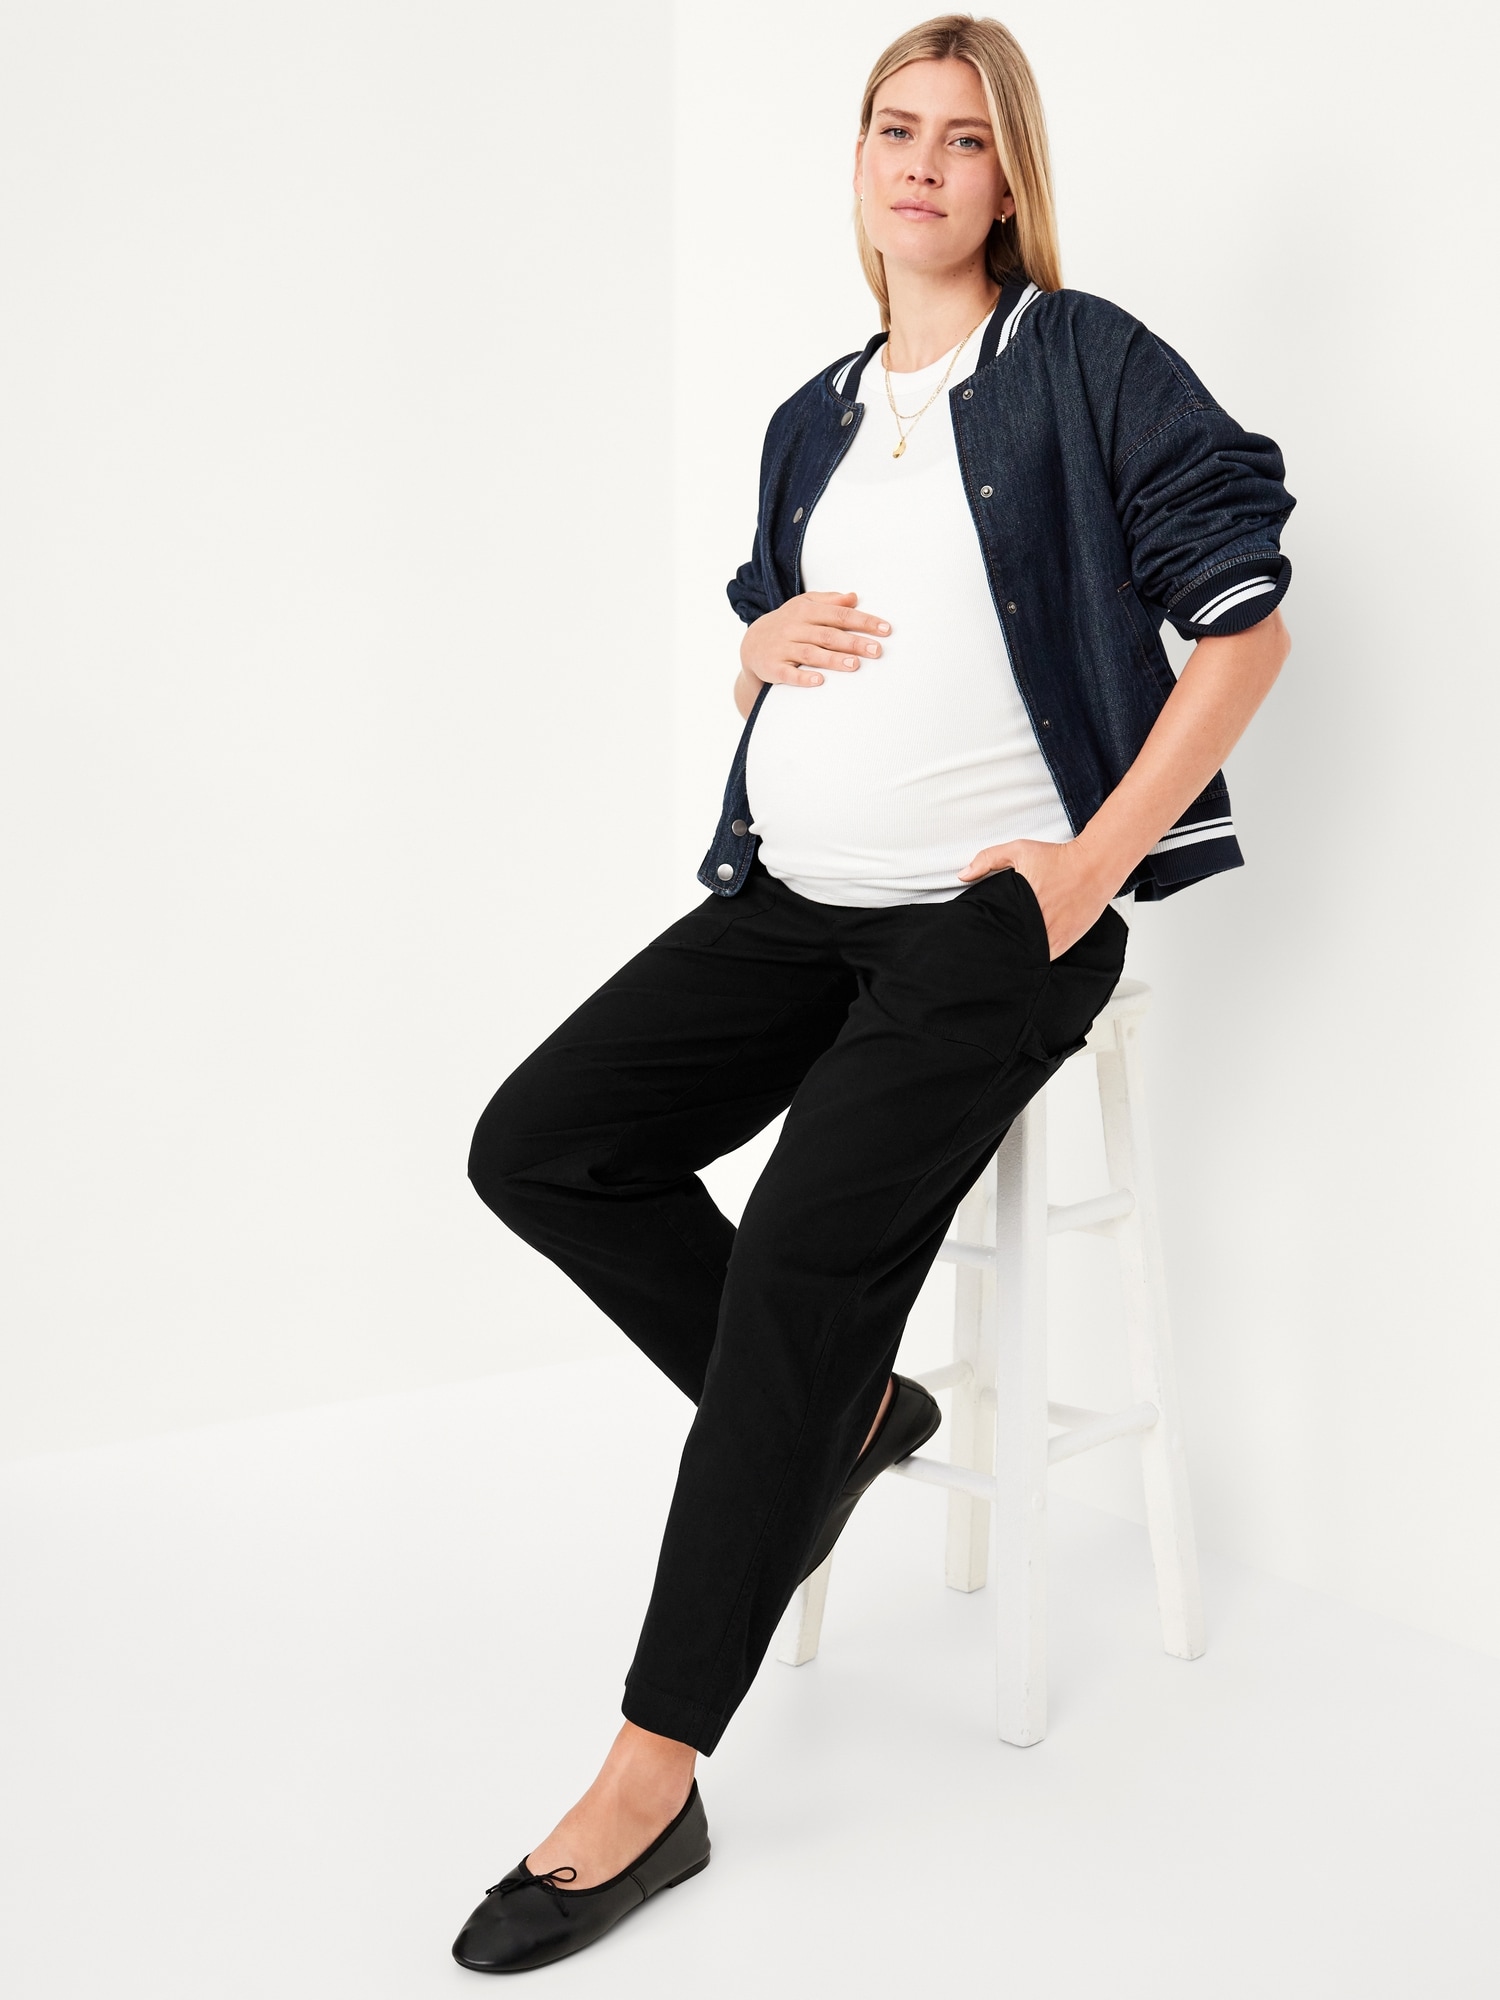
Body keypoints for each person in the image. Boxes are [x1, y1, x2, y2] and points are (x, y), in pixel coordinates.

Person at [454, 10, 1294, 1975]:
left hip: (989, 925)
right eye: (893, 128)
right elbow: (799, 617)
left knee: (798, 1266)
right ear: (857, 161)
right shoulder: (812, 413)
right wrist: (756, 652)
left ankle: (651, 1775)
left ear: (1010, 178)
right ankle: (839, 1423)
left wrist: (1090, 867)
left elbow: (1245, 628)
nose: (922, 162)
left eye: (963, 137)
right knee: (543, 1144)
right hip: (793, 902)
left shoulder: (1079, 360)